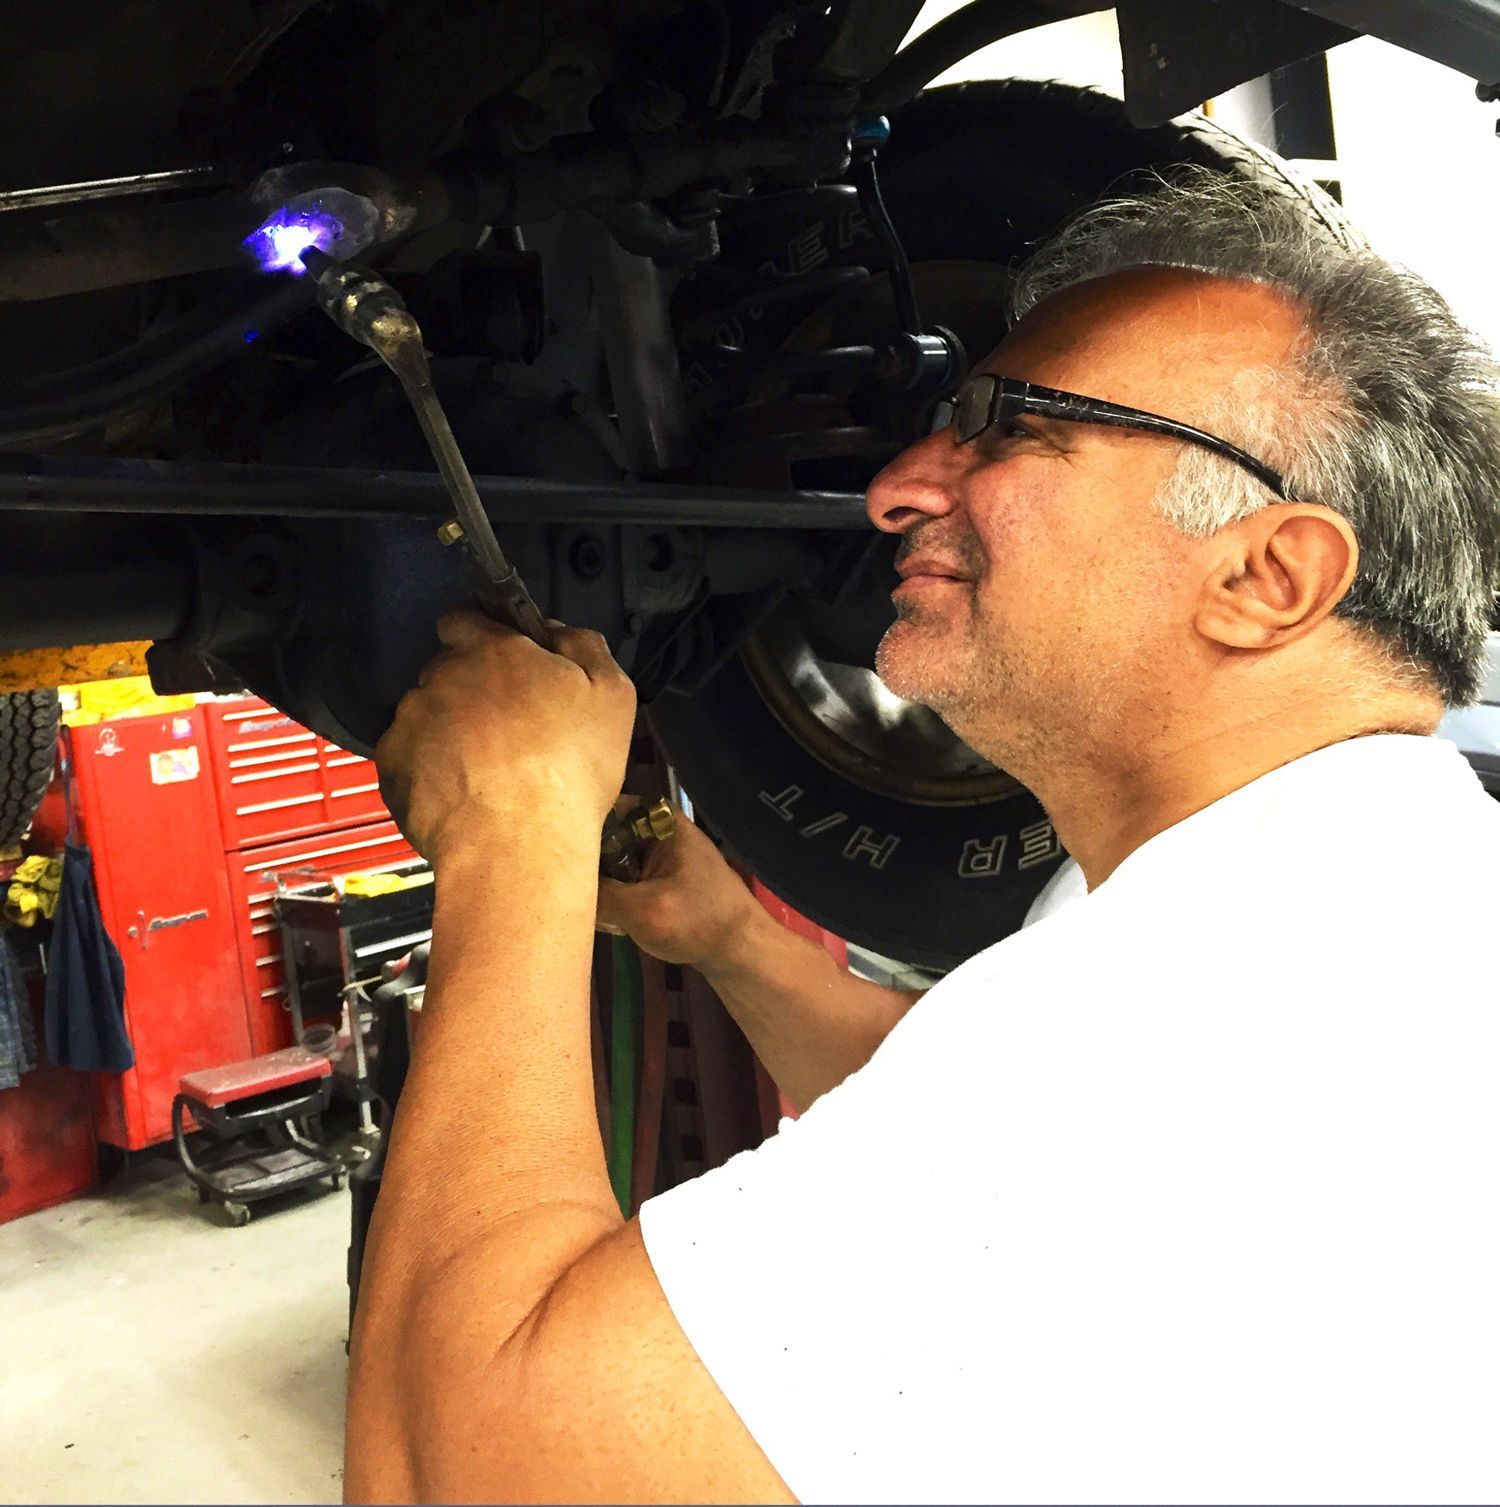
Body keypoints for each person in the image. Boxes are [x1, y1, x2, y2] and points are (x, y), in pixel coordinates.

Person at [345, 171, 1500, 1504]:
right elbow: (969, 1141)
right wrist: (731, 941)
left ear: (1264, 577)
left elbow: (450, 1466)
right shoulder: (1345, 902)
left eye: (1011, 431)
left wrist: (512, 835)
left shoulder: (1205, 1011)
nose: (897, 486)